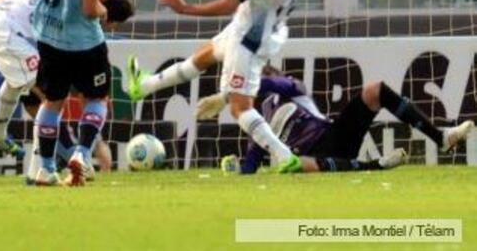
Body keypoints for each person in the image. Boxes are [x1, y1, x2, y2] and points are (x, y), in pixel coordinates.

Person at [126, 0, 304, 173]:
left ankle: (284, 156)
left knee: (239, 107)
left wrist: (185, 9)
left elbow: (228, 4)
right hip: (264, 26)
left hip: (249, 38)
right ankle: (144, 86)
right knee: (204, 56)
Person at [0, 0, 134, 177]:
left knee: (24, 86)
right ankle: (45, 168)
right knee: (49, 97)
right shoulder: (79, 14)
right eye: (113, 24)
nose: (111, 28)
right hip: (3, 29)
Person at [199, 67, 475, 174]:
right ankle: (376, 166)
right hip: (310, 159)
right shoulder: (255, 122)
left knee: (374, 89)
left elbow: (273, 83)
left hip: (334, 136)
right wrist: (235, 170)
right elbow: (252, 164)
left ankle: (441, 137)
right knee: (293, 164)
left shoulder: (293, 88)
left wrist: (226, 96)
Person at [31, 0, 114, 186]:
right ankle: (80, 154)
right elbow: (90, 9)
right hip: (82, 42)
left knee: (52, 102)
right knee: (97, 98)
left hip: (48, 35)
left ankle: (45, 169)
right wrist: (107, 8)